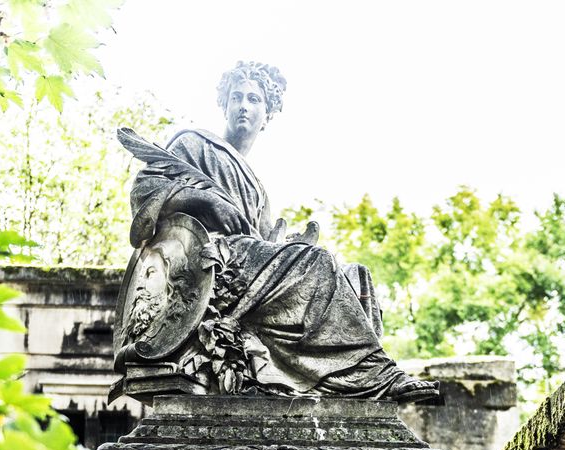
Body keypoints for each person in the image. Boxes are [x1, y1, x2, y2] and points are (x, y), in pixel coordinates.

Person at [117, 61, 439, 401]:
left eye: (254, 99)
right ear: (224, 104)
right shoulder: (194, 144)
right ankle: (374, 377)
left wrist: (287, 245)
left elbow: (264, 241)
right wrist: (206, 201)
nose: (243, 105)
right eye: (237, 97)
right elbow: (147, 191)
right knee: (316, 263)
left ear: (267, 115)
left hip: (250, 265)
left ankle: (349, 382)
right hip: (215, 260)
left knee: (355, 277)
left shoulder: (258, 190)